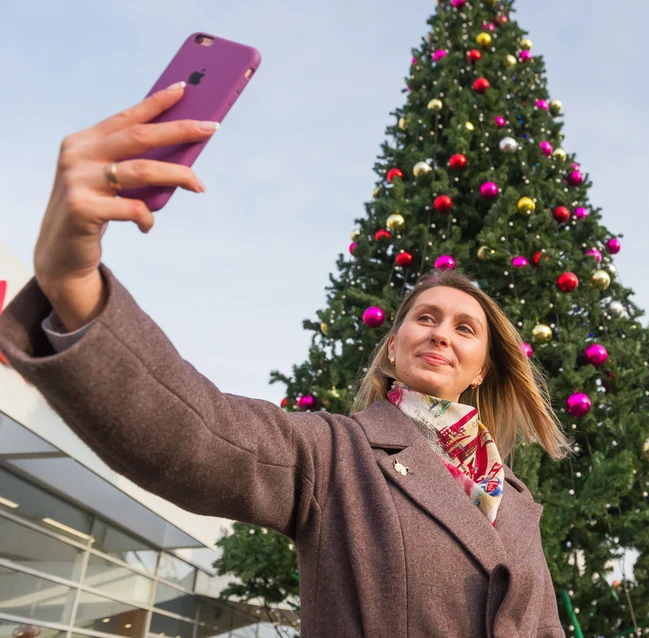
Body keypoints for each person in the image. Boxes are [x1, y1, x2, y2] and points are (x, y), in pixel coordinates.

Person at [0, 85, 572, 637]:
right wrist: (72, 284)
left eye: (464, 328)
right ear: (392, 349)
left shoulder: (515, 501)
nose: (441, 333)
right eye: (423, 318)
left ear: (481, 371)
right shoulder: (332, 453)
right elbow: (194, 433)